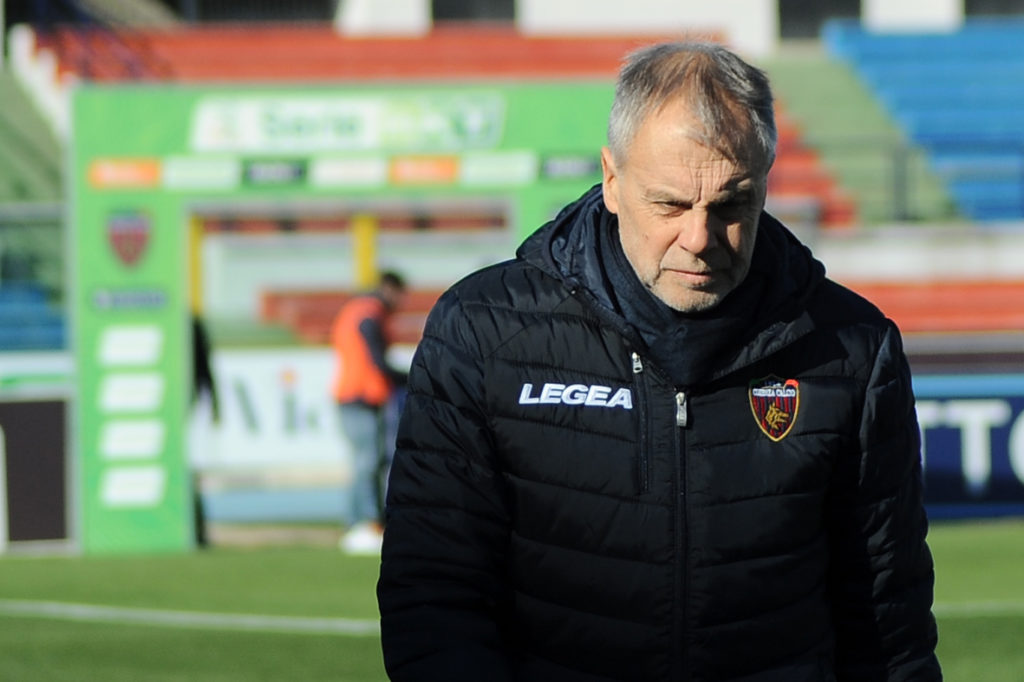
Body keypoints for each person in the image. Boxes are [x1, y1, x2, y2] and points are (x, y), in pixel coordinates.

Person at [377, 41, 942, 681]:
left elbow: (888, 623)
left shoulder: (853, 348)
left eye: (731, 204)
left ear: (766, 181)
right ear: (612, 181)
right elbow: (434, 599)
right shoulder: (482, 332)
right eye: (670, 205)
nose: (699, 239)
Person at [331, 270, 407, 555]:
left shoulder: (359, 309)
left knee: (369, 461)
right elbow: (377, 361)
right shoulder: (369, 313)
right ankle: (363, 523)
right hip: (359, 396)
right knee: (368, 461)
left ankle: (365, 523)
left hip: (360, 396)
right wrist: (410, 377)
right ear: (389, 289)